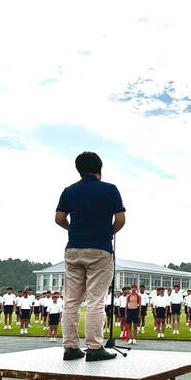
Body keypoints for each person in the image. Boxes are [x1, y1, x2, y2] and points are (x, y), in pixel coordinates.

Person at [55, 151, 126, 361]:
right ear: (100, 170)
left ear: (78, 170)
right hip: (100, 248)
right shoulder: (110, 189)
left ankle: (70, 347)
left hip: (74, 248)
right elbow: (120, 220)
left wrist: (73, 230)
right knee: (96, 300)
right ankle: (94, 347)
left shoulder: (69, 191)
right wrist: (106, 233)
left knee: (72, 300)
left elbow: (59, 218)